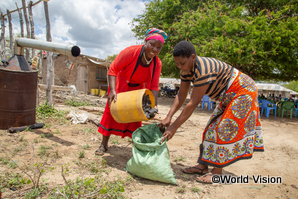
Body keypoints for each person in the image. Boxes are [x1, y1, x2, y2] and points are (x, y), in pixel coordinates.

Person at [158, 41, 264, 184]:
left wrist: (174, 127)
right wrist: (168, 117)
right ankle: (202, 166)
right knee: (210, 129)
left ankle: (217, 172)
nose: (180, 67)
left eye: (182, 63)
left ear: (193, 57)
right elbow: (181, 95)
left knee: (222, 128)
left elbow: (193, 102)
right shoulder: (185, 71)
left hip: (243, 91)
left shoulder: (203, 70)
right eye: (177, 64)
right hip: (227, 96)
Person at [95, 28, 167, 155]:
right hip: (121, 87)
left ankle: (136, 147)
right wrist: (112, 90)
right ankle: (103, 144)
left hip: (138, 91)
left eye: (159, 47)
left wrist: (154, 105)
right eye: (152, 45)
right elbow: (113, 69)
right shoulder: (131, 52)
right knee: (110, 114)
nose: (155, 49)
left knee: (135, 118)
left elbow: (154, 86)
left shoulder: (157, 63)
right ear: (146, 42)